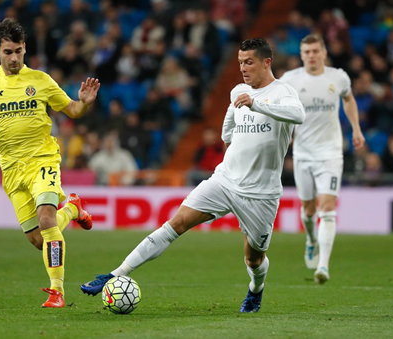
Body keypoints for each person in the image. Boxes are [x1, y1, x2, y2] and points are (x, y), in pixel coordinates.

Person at [81, 38, 305, 313]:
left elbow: (298, 115)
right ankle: (116, 274)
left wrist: (257, 106)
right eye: (239, 62)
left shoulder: (283, 92)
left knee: (254, 259)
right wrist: (231, 136)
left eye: (249, 62)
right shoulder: (238, 90)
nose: (243, 68)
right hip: (224, 181)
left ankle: (255, 290)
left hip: (260, 193)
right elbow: (228, 128)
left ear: (266, 62)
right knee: (176, 223)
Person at [0, 18, 100, 308]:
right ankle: (73, 207)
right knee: (39, 239)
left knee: (47, 218)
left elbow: (72, 110)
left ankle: (57, 291)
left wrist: (84, 103)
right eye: (9, 52)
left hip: (42, 159)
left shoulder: (41, 80)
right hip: (11, 170)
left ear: (25, 50)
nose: (14, 58)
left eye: (19, 52)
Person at [280, 34, 365, 284]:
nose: (311, 56)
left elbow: (348, 99)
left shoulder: (338, 77)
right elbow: (278, 106)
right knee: (308, 210)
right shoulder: (290, 80)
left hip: (330, 153)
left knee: (327, 209)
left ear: (324, 53)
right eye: (306, 52)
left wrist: (356, 129)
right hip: (303, 154)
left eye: (315, 51)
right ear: (301, 54)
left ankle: (324, 266)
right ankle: (310, 239)